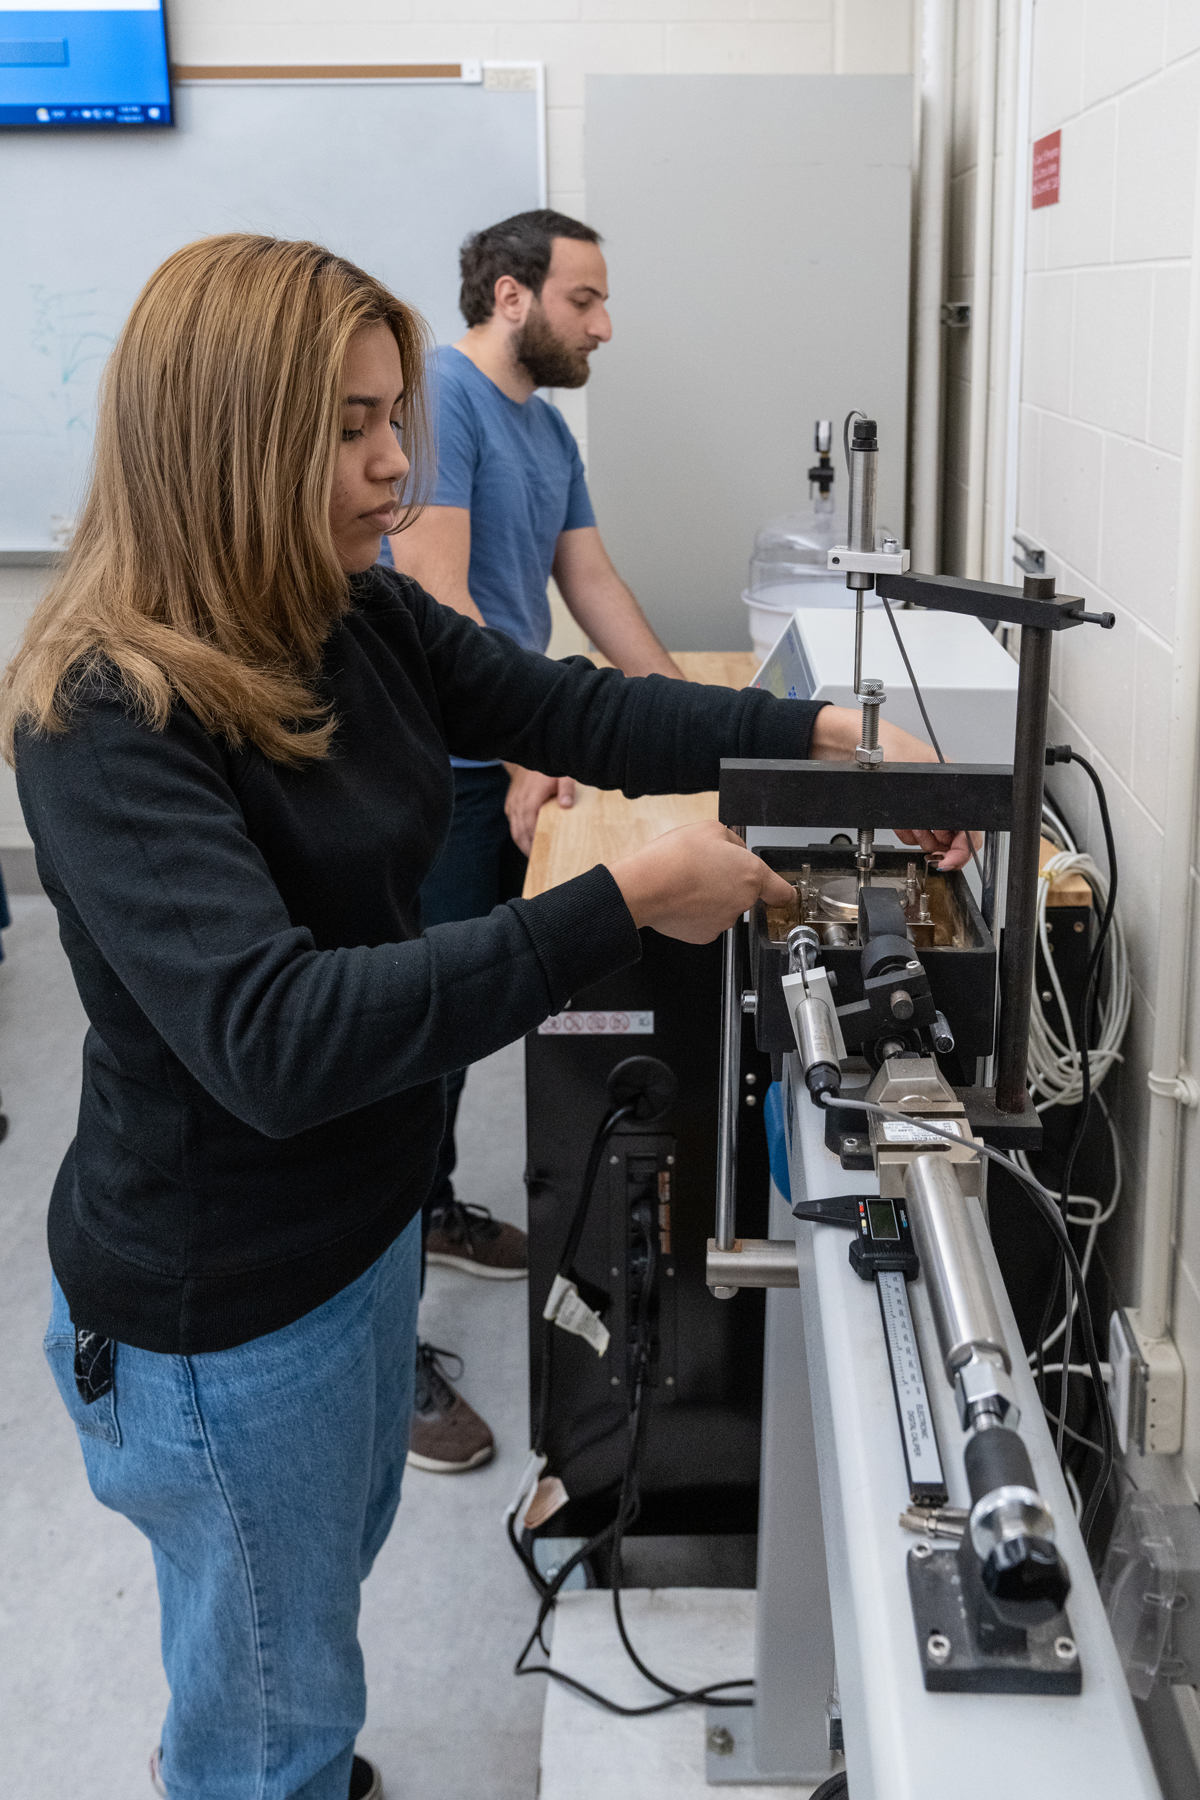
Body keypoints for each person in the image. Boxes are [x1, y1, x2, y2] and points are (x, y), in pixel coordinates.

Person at [1, 233, 971, 1800]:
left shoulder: (351, 614)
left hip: (356, 1237)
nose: (395, 463)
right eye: (348, 427)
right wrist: (625, 900)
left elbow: (574, 702)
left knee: (304, 1611)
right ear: (223, 434)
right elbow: (278, 1033)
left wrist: (825, 736)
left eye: (395, 418)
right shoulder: (108, 712)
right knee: (264, 1701)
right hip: (221, 1308)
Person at [381, 210, 685, 1475]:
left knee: (495, 1015)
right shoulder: (437, 401)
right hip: (444, 771)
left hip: (512, 761)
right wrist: (521, 754)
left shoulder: (548, 430)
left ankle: (437, 1208)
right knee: (414, 1040)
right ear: (512, 295)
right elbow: (435, 597)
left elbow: (593, 586)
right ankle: (381, 1341)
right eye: (585, 300)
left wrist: (687, 739)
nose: (603, 325)